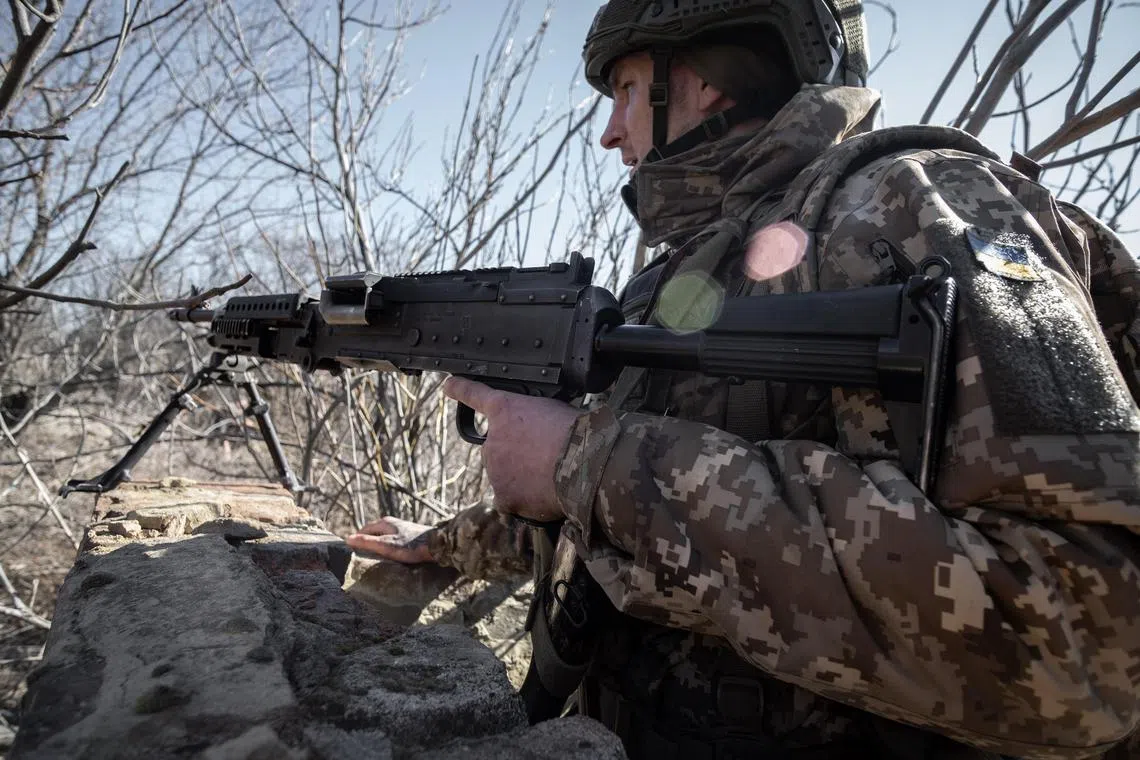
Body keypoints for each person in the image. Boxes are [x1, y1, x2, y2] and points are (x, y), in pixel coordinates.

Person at [348, 1, 1140, 758]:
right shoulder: (698, 267)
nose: (608, 131)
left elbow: (1089, 639)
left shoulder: (918, 202)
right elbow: (606, 523)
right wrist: (446, 543)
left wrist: (584, 461)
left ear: (706, 78)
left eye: (625, 90)